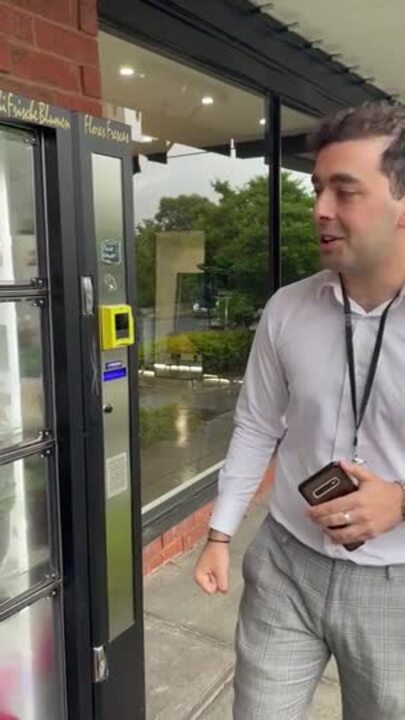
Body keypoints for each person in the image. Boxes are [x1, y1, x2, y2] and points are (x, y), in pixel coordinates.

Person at [193, 101, 405, 720]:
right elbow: (258, 422)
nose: (320, 209)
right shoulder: (288, 308)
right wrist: (219, 533)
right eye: (317, 188)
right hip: (285, 560)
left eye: (346, 190)